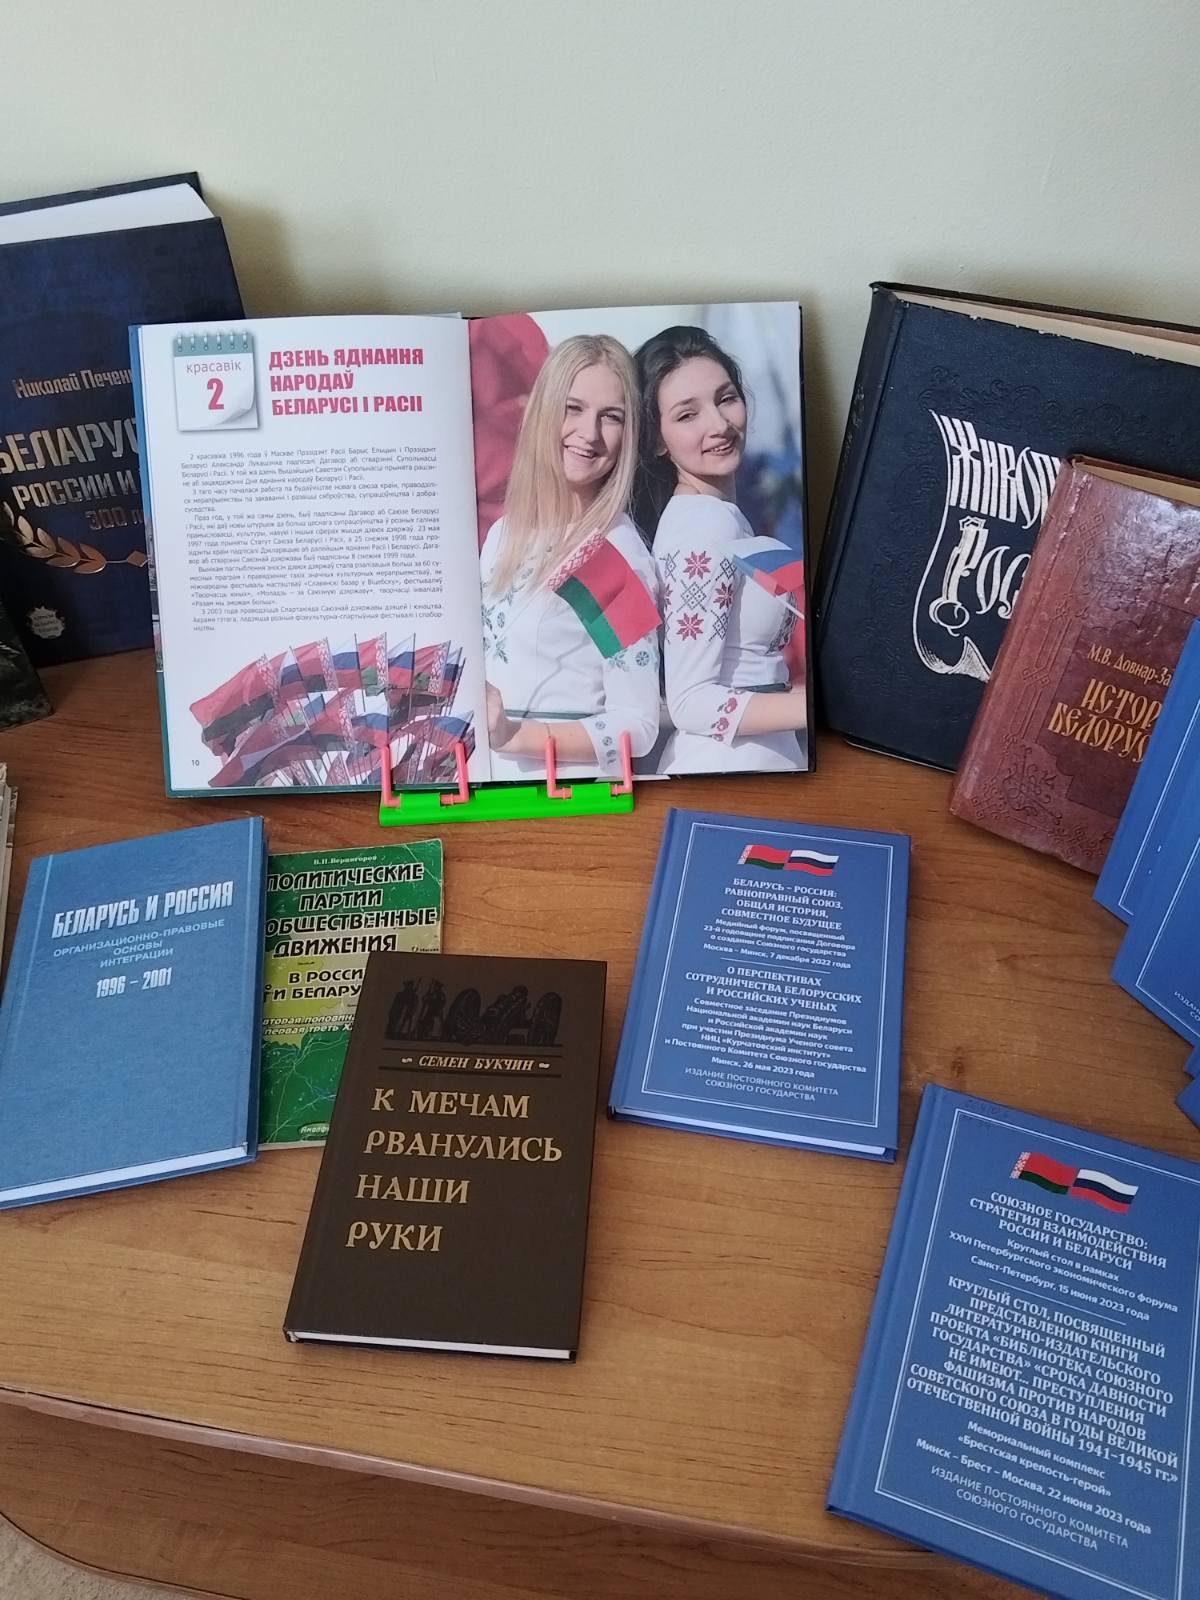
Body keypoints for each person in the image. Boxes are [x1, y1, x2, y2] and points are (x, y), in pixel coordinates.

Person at [480, 334, 660, 781]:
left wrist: (514, 736)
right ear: (543, 411)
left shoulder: (613, 552)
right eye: (573, 408)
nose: (590, 433)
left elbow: (637, 726)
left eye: (611, 417)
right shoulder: (504, 534)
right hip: (484, 787)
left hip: (564, 795)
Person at [634, 325, 807, 774]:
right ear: (656, 440)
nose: (719, 425)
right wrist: (814, 707)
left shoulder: (718, 517)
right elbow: (690, 701)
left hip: (755, 763)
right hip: (729, 771)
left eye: (726, 398)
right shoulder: (703, 525)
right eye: (687, 415)